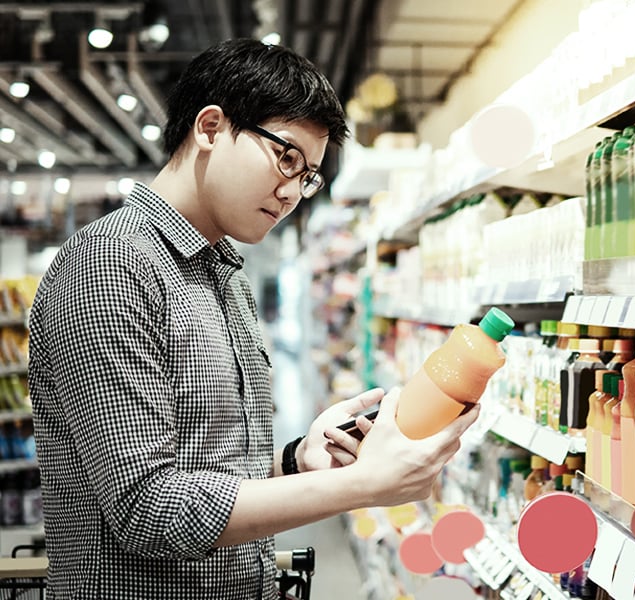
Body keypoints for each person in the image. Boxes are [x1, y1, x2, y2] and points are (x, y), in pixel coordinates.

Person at [27, 38, 479, 599]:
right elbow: (147, 509)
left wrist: (296, 460)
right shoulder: (110, 264)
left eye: (308, 175)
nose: (293, 192)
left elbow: (206, 463)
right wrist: (364, 486)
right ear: (211, 128)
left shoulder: (225, 273)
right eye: (285, 157)